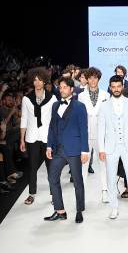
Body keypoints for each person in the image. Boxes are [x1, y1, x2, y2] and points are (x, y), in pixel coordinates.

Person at [45, 77, 89, 223]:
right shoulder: (55, 105)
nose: (61, 89)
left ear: (71, 89)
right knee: (52, 178)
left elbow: (84, 129)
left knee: (77, 181)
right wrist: (49, 145)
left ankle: (79, 211)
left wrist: (85, 150)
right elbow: (52, 127)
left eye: (64, 87)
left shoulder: (80, 106)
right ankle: (60, 211)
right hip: (59, 149)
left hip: (75, 149)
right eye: (60, 87)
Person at [98, 75, 128, 220]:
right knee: (111, 179)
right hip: (111, 147)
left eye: (118, 86)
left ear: (122, 86)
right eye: (113, 87)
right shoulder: (104, 105)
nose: (116, 89)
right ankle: (114, 208)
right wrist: (101, 149)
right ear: (110, 88)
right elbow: (101, 129)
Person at [20, 68, 57, 205]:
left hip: (47, 137)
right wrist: (22, 139)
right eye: (35, 79)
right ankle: (31, 193)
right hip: (32, 137)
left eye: (40, 79)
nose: (37, 82)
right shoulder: (26, 99)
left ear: (44, 80)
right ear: (32, 81)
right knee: (32, 167)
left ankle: (54, 194)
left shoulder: (52, 98)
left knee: (51, 167)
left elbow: (55, 120)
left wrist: (55, 138)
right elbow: (24, 118)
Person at [77, 67, 110, 203]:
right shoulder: (80, 96)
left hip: (101, 135)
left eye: (95, 77)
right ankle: (81, 194)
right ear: (87, 79)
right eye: (90, 77)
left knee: (103, 164)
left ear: (98, 79)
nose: (92, 80)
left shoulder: (106, 95)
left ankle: (104, 191)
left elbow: (108, 117)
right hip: (85, 134)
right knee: (84, 164)